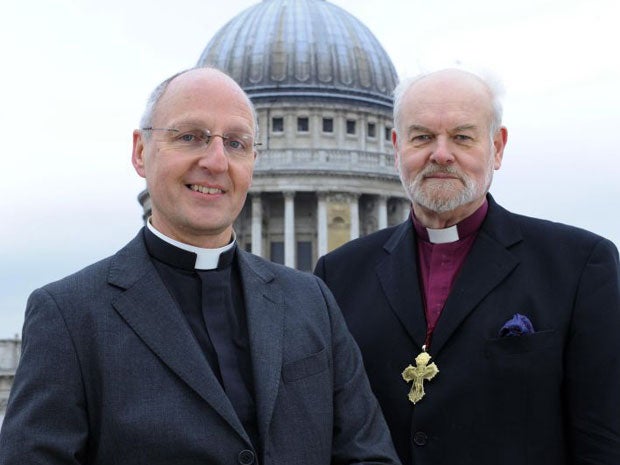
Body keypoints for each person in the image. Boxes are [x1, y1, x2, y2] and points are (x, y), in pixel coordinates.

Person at [0, 67, 400, 465]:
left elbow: (369, 454)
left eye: (236, 143)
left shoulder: (313, 302)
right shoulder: (68, 315)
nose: (215, 161)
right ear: (140, 152)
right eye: (190, 137)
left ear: (254, 161)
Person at [314, 68, 620, 464]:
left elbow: (603, 442)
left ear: (497, 146)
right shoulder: (338, 276)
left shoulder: (579, 265)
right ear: (395, 147)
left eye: (462, 136)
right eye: (422, 136)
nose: (441, 154)